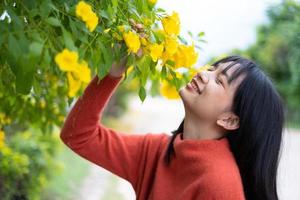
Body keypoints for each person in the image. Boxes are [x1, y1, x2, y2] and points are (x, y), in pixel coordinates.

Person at [60, 55, 285, 200]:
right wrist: (112, 74)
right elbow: (78, 135)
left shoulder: (220, 185)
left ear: (229, 120)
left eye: (219, 81)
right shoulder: (156, 150)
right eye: (211, 68)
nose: (204, 74)